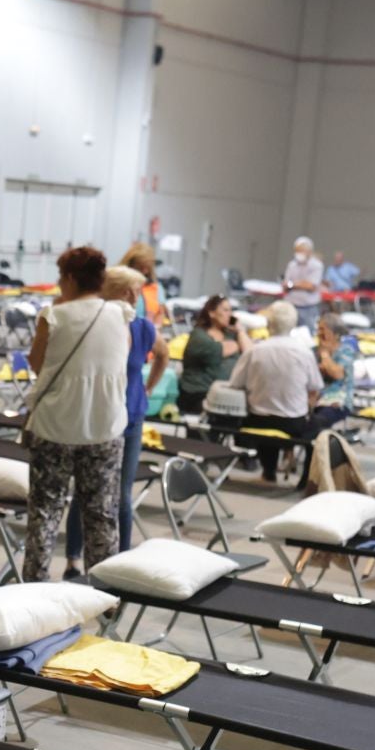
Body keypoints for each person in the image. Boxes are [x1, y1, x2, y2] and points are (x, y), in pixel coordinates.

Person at [20, 245, 132, 581]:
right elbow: (120, 358)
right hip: (105, 428)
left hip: (55, 427)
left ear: (69, 278)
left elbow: (37, 364)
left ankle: (34, 589)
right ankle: (105, 595)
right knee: (101, 515)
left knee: (44, 513)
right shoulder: (121, 314)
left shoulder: (53, 316)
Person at [63, 264, 167, 573]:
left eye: (136, 292)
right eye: (129, 291)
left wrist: (148, 388)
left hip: (132, 416)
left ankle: (121, 560)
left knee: (122, 493)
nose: (135, 298)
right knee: (86, 489)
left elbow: (163, 354)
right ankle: (73, 557)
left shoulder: (143, 327)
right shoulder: (96, 324)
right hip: (97, 417)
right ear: (112, 293)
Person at [230, 300, 321, 483]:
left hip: (258, 420)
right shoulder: (304, 353)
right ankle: (306, 480)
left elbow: (235, 384)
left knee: (264, 413)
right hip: (293, 423)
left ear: (269, 324)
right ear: (294, 325)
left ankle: (268, 472)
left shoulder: (255, 351)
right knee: (316, 426)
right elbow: (315, 387)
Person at [177, 295, 250, 418]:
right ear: (211, 313)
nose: (230, 315)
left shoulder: (231, 334)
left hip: (226, 394)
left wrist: (241, 331)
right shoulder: (199, 336)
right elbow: (218, 350)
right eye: (225, 310)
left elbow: (249, 353)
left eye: (230, 310)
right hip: (200, 393)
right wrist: (237, 344)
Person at [118, 242, 168, 326]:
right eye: (140, 267)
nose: (144, 271)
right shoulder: (118, 284)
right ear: (130, 265)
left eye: (147, 267)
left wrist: (155, 328)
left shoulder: (156, 288)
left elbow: (160, 313)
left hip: (147, 333)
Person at [283, 237, 325, 330]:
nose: (298, 254)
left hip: (308, 308)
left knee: (308, 335)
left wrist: (293, 284)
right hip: (291, 305)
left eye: (301, 251)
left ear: (309, 252)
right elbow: (286, 284)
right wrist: (298, 284)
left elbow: (310, 286)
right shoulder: (292, 265)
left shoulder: (317, 265)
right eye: (297, 251)